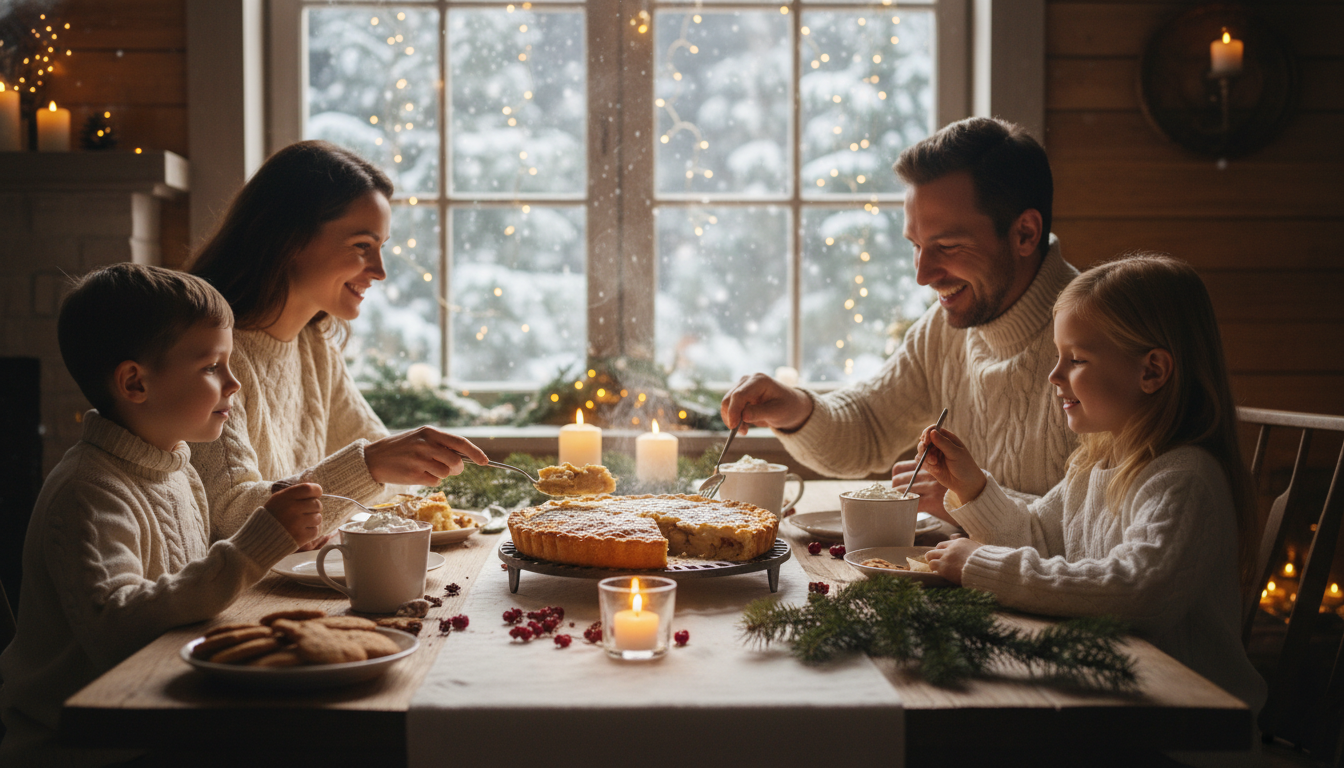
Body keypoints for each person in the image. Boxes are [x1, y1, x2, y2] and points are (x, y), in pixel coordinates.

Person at [0, 264, 324, 766]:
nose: (234, 384)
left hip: (158, 707)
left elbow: (186, 592)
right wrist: (251, 547)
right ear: (134, 383)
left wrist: (281, 534)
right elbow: (116, 631)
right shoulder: (88, 491)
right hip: (86, 742)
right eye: (212, 366)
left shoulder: (176, 466)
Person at [919, 254, 1267, 717]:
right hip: (1111, 700)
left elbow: (1135, 591)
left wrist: (982, 567)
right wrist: (974, 485)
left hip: (1188, 729)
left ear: (1152, 371)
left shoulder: (1186, 478)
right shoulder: (1096, 463)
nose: (1054, 375)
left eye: (1076, 359)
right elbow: (1039, 536)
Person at [721, 117, 1078, 519]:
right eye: (917, 246)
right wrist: (795, 409)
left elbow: (1105, 527)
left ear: (1025, 234)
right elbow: (869, 427)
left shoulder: (1105, 339)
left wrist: (971, 500)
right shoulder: (943, 331)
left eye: (946, 246)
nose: (922, 275)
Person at [188, 140, 488, 540]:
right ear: (288, 237)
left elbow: (386, 465)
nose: (380, 271)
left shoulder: (313, 347)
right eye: (362, 246)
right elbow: (231, 516)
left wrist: (413, 460)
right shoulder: (210, 356)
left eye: (380, 248)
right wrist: (369, 465)